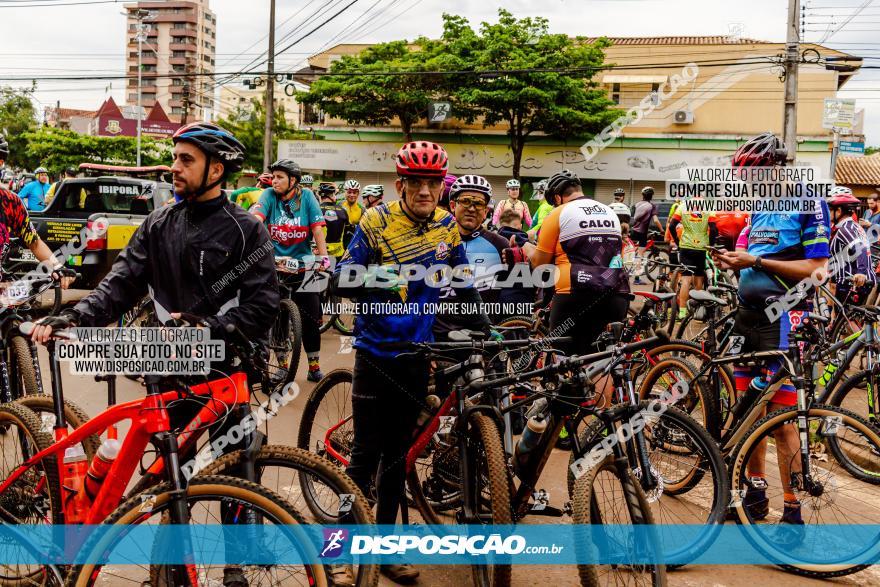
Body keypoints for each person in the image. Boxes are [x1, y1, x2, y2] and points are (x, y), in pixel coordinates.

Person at [30, 124, 277, 587]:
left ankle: (237, 568)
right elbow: (119, 284)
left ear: (216, 169)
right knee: (170, 477)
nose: (174, 167)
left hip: (227, 371)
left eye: (186, 160)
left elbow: (263, 305)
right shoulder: (159, 222)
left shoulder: (248, 229)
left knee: (239, 468)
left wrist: (210, 327)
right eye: (175, 157)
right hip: (170, 370)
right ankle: (171, 571)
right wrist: (79, 317)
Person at [333, 142, 490, 584]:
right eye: (416, 183)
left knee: (397, 461)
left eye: (433, 183)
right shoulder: (376, 220)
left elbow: (461, 285)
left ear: (442, 187)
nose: (425, 191)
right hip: (375, 354)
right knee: (363, 458)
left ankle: (383, 552)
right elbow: (341, 278)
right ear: (400, 184)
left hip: (417, 358)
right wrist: (388, 279)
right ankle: (337, 553)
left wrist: (486, 328)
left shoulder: (445, 225)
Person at [711, 131, 831, 526]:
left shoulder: (808, 201)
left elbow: (817, 271)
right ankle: (754, 492)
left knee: (780, 420)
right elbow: (748, 255)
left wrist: (756, 264)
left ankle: (793, 510)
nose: (746, 185)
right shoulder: (759, 207)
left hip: (784, 320)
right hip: (748, 316)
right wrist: (732, 261)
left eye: (752, 176)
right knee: (748, 411)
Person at [514, 169, 629, 357]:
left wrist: (524, 246)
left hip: (574, 293)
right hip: (617, 292)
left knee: (563, 360)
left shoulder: (559, 213)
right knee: (602, 362)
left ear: (558, 197)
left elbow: (540, 263)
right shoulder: (610, 212)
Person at [251, 158, 329, 384]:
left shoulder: (307, 198)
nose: (274, 181)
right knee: (277, 317)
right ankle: (282, 365)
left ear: (293, 180)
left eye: (280, 177)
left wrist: (323, 257)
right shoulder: (268, 196)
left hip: (304, 264)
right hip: (275, 263)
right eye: (273, 177)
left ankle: (314, 366)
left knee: (311, 317)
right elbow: (257, 220)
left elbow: (317, 229)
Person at [434, 174, 526, 334]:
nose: (471, 208)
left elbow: (514, 296)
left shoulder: (500, 244)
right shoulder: (434, 240)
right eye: (465, 201)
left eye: (478, 203)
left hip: (481, 334)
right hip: (438, 334)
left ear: (486, 211)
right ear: (452, 205)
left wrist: (521, 264)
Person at [0, 135, 74, 289]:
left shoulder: (10, 202)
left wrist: (57, 266)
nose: (44, 177)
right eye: (41, 175)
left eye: (45, 175)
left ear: (1, 162)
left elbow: (34, 242)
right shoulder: (30, 186)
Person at [667, 200, 717, 319]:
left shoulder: (683, 206)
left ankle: (683, 314)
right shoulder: (709, 206)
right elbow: (714, 229)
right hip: (701, 247)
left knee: (686, 280)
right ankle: (696, 312)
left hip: (686, 246)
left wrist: (678, 242)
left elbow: (672, 226)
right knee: (699, 279)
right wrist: (710, 245)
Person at [827, 188, 875, 305]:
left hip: (851, 282)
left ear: (838, 211)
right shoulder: (854, 226)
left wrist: (861, 272)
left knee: (846, 321)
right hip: (859, 281)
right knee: (845, 318)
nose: (827, 213)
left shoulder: (845, 229)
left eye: (829, 209)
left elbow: (860, 247)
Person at [630, 186, 663, 284]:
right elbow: (656, 220)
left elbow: (633, 218)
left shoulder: (636, 204)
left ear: (642, 195)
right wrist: (662, 230)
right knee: (640, 256)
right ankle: (636, 279)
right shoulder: (651, 206)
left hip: (633, 231)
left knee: (631, 252)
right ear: (651, 196)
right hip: (642, 233)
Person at [319, 183, 349, 261]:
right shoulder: (343, 211)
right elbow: (348, 234)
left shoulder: (316, 210)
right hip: (339, 255)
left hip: (321, 254)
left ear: (321, 197)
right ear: (332, 195)